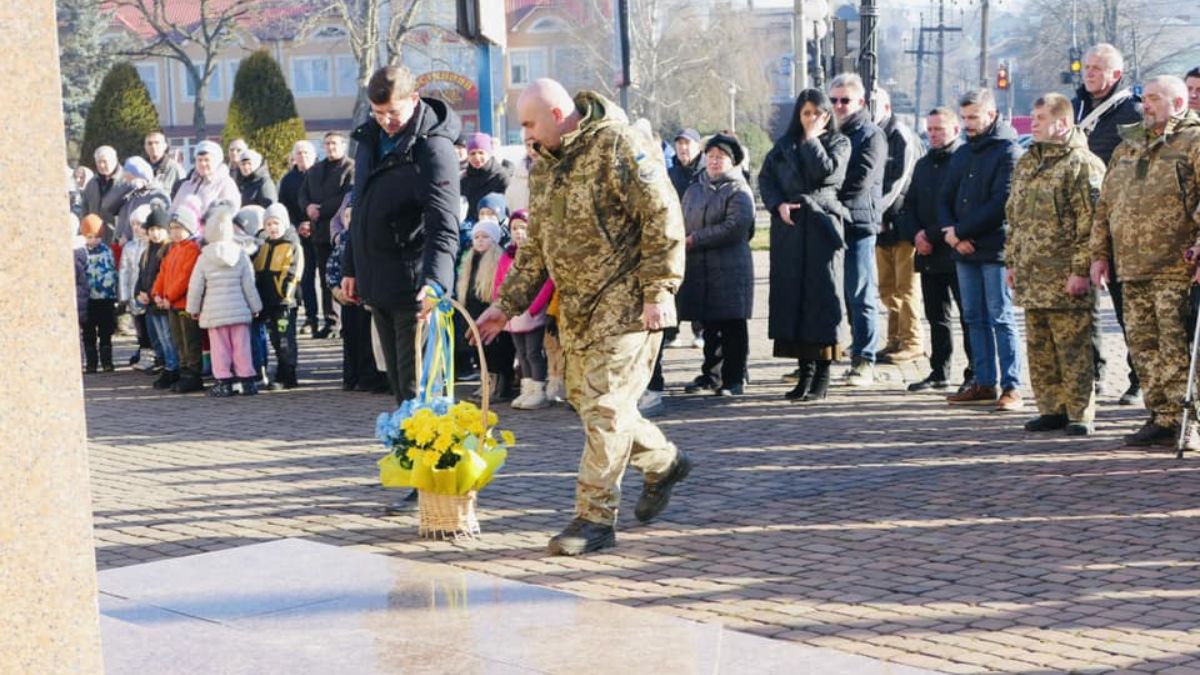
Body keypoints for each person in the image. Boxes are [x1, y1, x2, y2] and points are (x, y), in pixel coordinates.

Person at [476, 78, 688, 556]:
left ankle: (594, 519)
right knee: (590, 401)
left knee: (606, 406)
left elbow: (663, 217)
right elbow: (537, 250)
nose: (525, 135)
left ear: (556, 113)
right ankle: (664, 462)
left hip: (629, 301)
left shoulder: (619, 144)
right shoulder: (547, 166)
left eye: (530, 123)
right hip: (576, 309)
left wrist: (658, 290)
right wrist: (503, 305)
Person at [341, 65, 460, 407]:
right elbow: (360, 204)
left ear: (414, 99)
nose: (386, 121)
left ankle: (427, 455)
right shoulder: (368, 140)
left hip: (414, 286)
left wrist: (436, 282)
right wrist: (351, 265)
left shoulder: (433, 149)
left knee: (418, 391)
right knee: (399, 388)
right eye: (378, 113)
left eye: (393, 112)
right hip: (376, 282)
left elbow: (443, 222)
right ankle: (410, 451)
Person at [1091, 75, 1200, 450]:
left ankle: (1191, 420)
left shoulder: (1193, 141)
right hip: (1132, 266)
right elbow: (1105, 204)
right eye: (1144, 98)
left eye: (1154, 98)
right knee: (1142, 347)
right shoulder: (1129, 145)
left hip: (1177, 266)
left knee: (1178, 349)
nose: (1146, 104)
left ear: (1179, 104)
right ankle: (1162, 416)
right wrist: (1099, 254)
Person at [1007, 93, 1106, 436]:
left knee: (1072, 347)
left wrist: (1081, 270)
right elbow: (1015, 217)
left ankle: (1080, 412)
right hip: (1033, 273)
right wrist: (1012, 262)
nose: (1032, 123)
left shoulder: (1082, 163)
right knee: (1040, 346)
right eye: (1033, 118)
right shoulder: (1028, 162)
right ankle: (1052, 408)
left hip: (1065, 274)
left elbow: (1091, 223)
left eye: (1039, 118)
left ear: (1061, 123)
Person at [760, 88, 852, 402]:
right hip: (790, 229)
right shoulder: (783, 145)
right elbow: (766, 179)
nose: (811, 119)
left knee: (822, 298)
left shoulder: (839, 142)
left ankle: (823, 375)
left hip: (822, 225)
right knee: (793, 299)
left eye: (818, 113)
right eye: (806, 113)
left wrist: (812, 140)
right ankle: (804, 373)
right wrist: (777, 206)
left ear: (827, 115)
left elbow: (826, 172)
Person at [940, 88, 1024, 410]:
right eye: (964, 118)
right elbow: (945, 196)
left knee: (1000, 317)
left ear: (991, 115)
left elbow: (1000, 203)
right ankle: (984, 382)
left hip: (994, 248)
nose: (968, 124)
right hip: (962, 250)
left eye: (974, 117)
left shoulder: (1008, 151)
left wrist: (959, 231)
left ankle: (1012, 386)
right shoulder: (962, 153)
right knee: (973, 316)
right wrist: (951, 235)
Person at [1073, 43, 1144, 404]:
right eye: (1087, 66)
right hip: (1078, 222)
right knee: (1082, 303)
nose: (1089, 73)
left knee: (1125, 306)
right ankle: (1093, 373)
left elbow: (1141, 168)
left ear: (1116, 75)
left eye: (1098, 68)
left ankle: (1138, 377)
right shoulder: (1075, 107)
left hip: (1115, 222)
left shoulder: (1132, 113)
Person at [676, 133, 755, 396]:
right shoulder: (695, 189)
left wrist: (695, 239)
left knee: (732, 325)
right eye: (710, 156)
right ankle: (711, 374)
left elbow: (735, 227)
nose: (714, 161)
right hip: (700, 268)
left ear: (731, 161)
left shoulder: (738, 190)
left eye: (720, 157)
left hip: (731, 268)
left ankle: (734, 378)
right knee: (709, 325)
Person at [901, 108, 973, 393]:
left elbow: (961, 206)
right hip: (928, 252)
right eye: (930, 129)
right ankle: (939, 370)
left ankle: (974, 371)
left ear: (955, 130)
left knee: (968, 316)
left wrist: (932, 234)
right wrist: (915, 235)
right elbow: (910, 204)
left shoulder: (963, 160)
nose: (933, 134)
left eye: (939, 129)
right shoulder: (922, 164)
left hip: (956, 249)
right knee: (936, 316)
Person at [829, 73, 886, 386]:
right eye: (834, 100)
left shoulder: (871, 135)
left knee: (861, 293)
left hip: (858, 225)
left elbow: (860, 180)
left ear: (860, 102)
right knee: (831, 295)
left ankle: (865, 359)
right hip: (831, 224)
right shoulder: (827, 132)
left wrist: (828, 202)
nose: (838, 106)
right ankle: (821, 354)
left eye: (844, 100)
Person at [186, 205, 264, 397]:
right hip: (239, 310)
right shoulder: (241, 254)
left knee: (219, 348)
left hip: (214, 311)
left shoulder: (204, 257)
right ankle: (247, 380)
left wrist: (193, 308)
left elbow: (196, 286)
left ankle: (224, 381)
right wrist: (255, 306)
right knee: (242, 346)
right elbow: (249, 285)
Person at [873, 88, 926, 365]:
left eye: (875, 104)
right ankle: (894, 339)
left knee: (906, 288)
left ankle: (913, 341)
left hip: (902, 222)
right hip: (881, 226)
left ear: (887, 106)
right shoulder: (871, 135)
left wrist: (874, 211)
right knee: (887, 288)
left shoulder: (901, 136)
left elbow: (898, 182)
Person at [327, 195, 387, 394]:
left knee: (368, 341)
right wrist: (336, 290)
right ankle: (350, 377)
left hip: (366, 299)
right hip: (348, 300)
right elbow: (332, 268)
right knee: (350, 339)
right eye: (346, 216)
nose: (350, 220)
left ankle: (371, 378)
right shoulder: (342, 241)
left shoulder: (370, 240)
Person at [495, 209, 555, 410]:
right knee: (521, 353)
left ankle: (538, 389)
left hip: (531, 313)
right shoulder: (507, 255)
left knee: (533, 352)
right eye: (514, 228)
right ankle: (526, 387)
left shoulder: (537, 255)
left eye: (523, 227)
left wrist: (535, 307)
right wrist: (499, 304)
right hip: (513, 316)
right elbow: (500, 281)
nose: (518, 232)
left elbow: (546, 282)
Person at [300, 132, 354, 339]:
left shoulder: (350, 168)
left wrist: (321, 210)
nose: (330, 147)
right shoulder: (315, 169)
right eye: (327, 144)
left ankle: (343, 320)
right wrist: (307, 207)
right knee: (325, 279)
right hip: (319, 233)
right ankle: (330, 320)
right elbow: (302, 193)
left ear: (343, 145)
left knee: (343, 275)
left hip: (340, 231)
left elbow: (346, 196)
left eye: (334, 143)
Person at [457, 219, 515, 402]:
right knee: (478, 348)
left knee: (496, 351)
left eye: (485, 237)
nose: (480, 240)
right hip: (474, 309)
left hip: (490, 308)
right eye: (476, 237)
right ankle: (485, 382)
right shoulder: (469, 259)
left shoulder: (499, 258)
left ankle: (499, 385)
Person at [152, 209, 204, 393]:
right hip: (171, 304)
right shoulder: (172, 250)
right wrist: (156, 293)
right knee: (178, 339)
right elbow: (162, 273)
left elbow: (185, 278)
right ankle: (183, 372)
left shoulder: (192, 250)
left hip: (184, 304)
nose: (174, 231)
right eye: (172, 228)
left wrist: (169, 297)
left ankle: (193, 374)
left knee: (190, 339)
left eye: (178, 228)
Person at [254, 203, 303, 390]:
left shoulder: (292, 246)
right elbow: (258, 269)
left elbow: (293, 272)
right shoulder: (264, 246)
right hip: (268, 301)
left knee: (285, 338)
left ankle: (288, 372)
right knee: (274, 337)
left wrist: (285, 294)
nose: (272, 228)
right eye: (268, 224)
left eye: (276, 223)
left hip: (284, 303)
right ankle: (281, 368)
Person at [279, 140, 322, 337]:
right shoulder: (288, 180)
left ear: (313, 155)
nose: (303, 156)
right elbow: (284, 208)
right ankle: (310, 318)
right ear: (293, 157)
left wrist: (312, 225)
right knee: (305, 278)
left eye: (306, 152)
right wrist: (298, 225)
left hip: (322, 232)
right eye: (299, 153)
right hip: (299, 234)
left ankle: (331, 319)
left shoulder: (322, 173)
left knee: (326, 279)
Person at [137, 207, 178, 389]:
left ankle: (173, 367)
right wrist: (139, 292)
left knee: (168, 336)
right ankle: (165, 364)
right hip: (150, 303)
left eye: (158, 229)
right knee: (158, 338)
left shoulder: (168, 250)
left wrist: (159, 294)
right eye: (151, 229)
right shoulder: (146, 252)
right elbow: (142, 276)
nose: (155, 233)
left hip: (162, 301)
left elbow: (166, 277)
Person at [80, 214, 118, 373]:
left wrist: (113, 293)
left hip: (105, 298)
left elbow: (113, 272)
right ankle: (91, 363)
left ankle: (107, 361)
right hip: (88, 299)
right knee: (88, 332)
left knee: (106, 331)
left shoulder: (107, 251)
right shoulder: (81, 252)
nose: (93, 240)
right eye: (89, 237)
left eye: (96, 237)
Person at [118, 205, 154, 370]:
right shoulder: (129, 247)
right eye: (133, 224)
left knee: (151, 327)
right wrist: (124, 295)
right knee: (139, 326)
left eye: (140, 224)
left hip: (148, 294)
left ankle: (154, 356)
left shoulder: (151, 247)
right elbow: (124, 271)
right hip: (134, 294)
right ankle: (144, 353)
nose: (137, 228)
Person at [174, 140, 241, 218]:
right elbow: (173, 211)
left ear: (216, 161)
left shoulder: (225, 184)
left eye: (206, 160)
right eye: (199, 160)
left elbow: (230, 214)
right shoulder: (186, 186)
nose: (203, 164)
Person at [112, 156, 170, 244]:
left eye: (130, 178)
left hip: (151, 243)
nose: (128, 182)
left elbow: (161, 221)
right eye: (127, 179)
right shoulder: (133, 195)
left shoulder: (159, 195)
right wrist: (124, 235)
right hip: (132, 244)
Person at [460, 132, 513, 223]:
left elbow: (509, 208)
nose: (477, 157)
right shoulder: (464, 179)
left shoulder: (501, 177)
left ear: (489, 153)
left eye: (481, 152)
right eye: (472, 153)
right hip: (470, 231)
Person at [82, 146, 122, 243]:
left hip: (118, 240)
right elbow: (85, 210)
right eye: (98, 162)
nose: (101, 165)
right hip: (95, 240)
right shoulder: (92, 184)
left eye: (104, 161)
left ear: (115, 160)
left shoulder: (126, 182)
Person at [143, 131, 183, 198]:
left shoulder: (175, 169)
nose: (153, 146)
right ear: (145, 147)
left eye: (157, 143)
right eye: (149, 143)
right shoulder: (141, 168)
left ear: (165, 146)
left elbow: (182, 195)